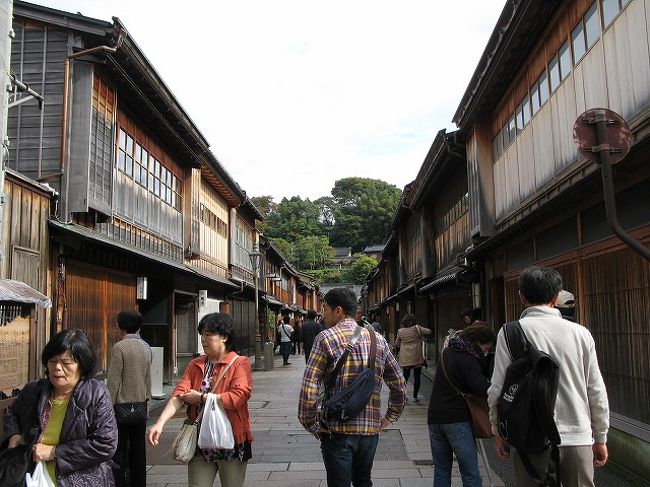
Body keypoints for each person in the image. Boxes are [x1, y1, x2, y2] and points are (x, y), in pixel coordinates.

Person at [488, 266, 609, 487]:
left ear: (521, 297)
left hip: (529, 435)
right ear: (556, 297)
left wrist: (499, 431)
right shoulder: (581, 334)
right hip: (577, 436)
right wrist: (600, 437)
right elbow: (596, 390)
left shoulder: (510, 332)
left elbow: (498, 388)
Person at [298, 287, 406, 487]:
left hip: (337, 430)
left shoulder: (325, 338)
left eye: (325, 309)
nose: (322, 315)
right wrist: (389, 417)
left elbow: (309, 386)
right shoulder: (378, 339)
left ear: (338, 310)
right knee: (364, 481)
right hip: (370, 431)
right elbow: (399, 384)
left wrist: (311, 423)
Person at [148, 312, 253, 487]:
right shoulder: (196, 364)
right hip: (200, 440)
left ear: (224, 337)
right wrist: (160, 423)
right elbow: (179, 395)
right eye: (201, 334)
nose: (203, 339)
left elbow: (239, 397)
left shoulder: (239, 363)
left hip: (232, 440)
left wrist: (202, 397)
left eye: (208, 334)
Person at [2, 329, 117, 486]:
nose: (57, 367)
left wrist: (53, 452)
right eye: (52, 361)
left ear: (82, 365)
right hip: (33, 478)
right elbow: (12, 412)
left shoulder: (96, 394)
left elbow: (106, 444)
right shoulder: (33, 390)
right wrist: (13, 435)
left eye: (66, 362)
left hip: (81, 480)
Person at [428, 324, 495, 487]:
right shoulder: (468, 359)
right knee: (470, 473)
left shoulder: (447, 352)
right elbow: (480, 387)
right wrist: (498, 389)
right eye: (486, 348)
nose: (486, 352)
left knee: (441, 470)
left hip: (435, 418)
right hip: (457, 419)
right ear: (478, 342)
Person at [107, 309, 152, 487]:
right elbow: (148, 378)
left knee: (119, 451)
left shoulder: (119, 347)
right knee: (138, 450)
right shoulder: (146, 347)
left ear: (122, 326)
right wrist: (147, 401)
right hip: (141, 406)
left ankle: (120, 482)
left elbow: (113, 381)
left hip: (121, 408)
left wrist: (107, 407)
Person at [395, 313, 432, 403]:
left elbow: (397, 343)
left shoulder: (400, 331)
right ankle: (415, 397)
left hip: (405, 357)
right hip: (417, 356)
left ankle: (403, 396)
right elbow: (429, 332)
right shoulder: (417, 328)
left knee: (405, 377)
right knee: (417, 376)